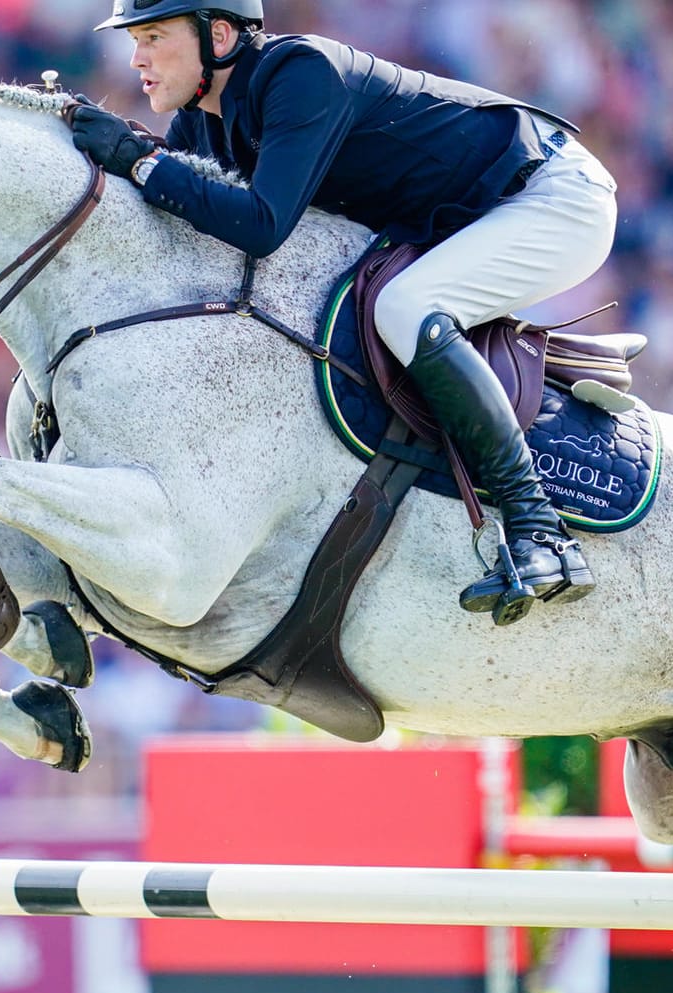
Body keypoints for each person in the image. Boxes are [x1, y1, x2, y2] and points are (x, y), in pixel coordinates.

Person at [70, 0, 619, 626]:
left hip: (550, 197)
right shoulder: (203, 124)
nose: (135, 57)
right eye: (133, 40)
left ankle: (538, 529)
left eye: (153, 36)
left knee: (407, 307)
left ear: (218, 35)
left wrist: (140, 161)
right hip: (470, 217)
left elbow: (261, 227)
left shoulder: (299, 73)